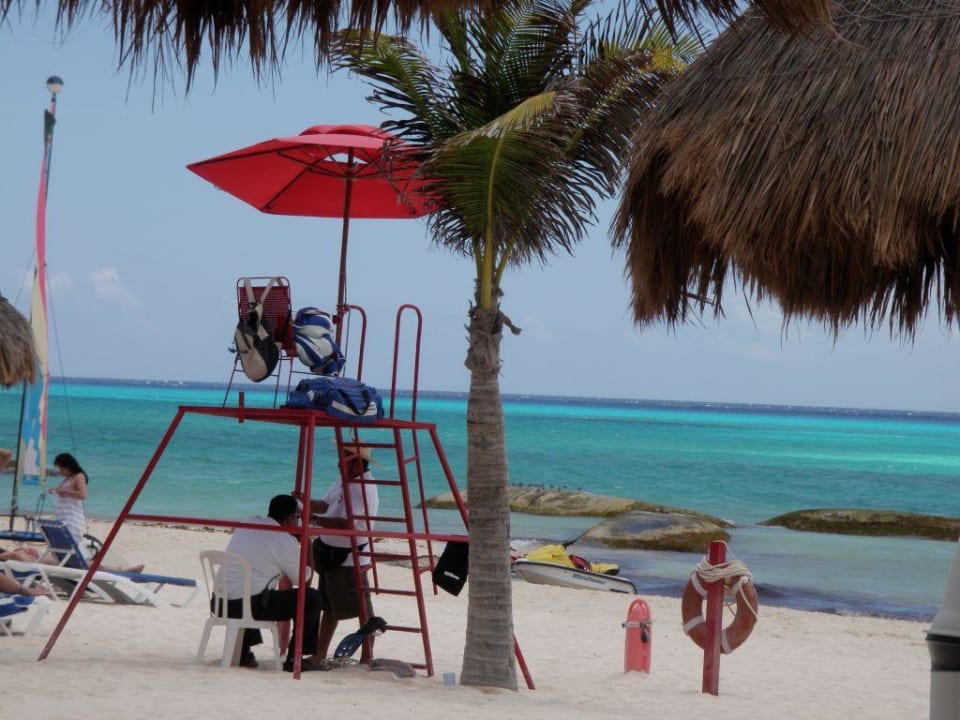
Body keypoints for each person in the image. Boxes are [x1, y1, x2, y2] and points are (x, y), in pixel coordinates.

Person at [222, 494, 324, 672]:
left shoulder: (249, 522)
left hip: (220, 602)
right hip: (246, 606)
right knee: (311, 597)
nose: (299, 522)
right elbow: (304, 581)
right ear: (289, 518)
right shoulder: (282, 539)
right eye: (297, 517)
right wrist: (306, 541)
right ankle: (295, 658)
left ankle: (244, 652)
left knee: (253, 587)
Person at [304, 446, 380, 665]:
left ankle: (367, 656)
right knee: (328, 606)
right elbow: (325, 505)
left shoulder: (362, 487)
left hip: (349, 557)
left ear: (357, 463)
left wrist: (314, 520)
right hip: (331, 554)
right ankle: (320, 653)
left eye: (344, 460)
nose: (339, 463)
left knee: (362, 609)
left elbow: (348, 523)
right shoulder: (343, 480)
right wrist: (304, 502)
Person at [48, 452, 88, 550]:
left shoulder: (79, 476)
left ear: (69, 466)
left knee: (71, 545)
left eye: (61, 469)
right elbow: (61, 491)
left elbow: (83, 495)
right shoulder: (67, 479)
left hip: (72, 517)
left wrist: (64, 490)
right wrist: (55, 490)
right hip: (62, 516)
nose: (60, 472)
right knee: (60, 545)